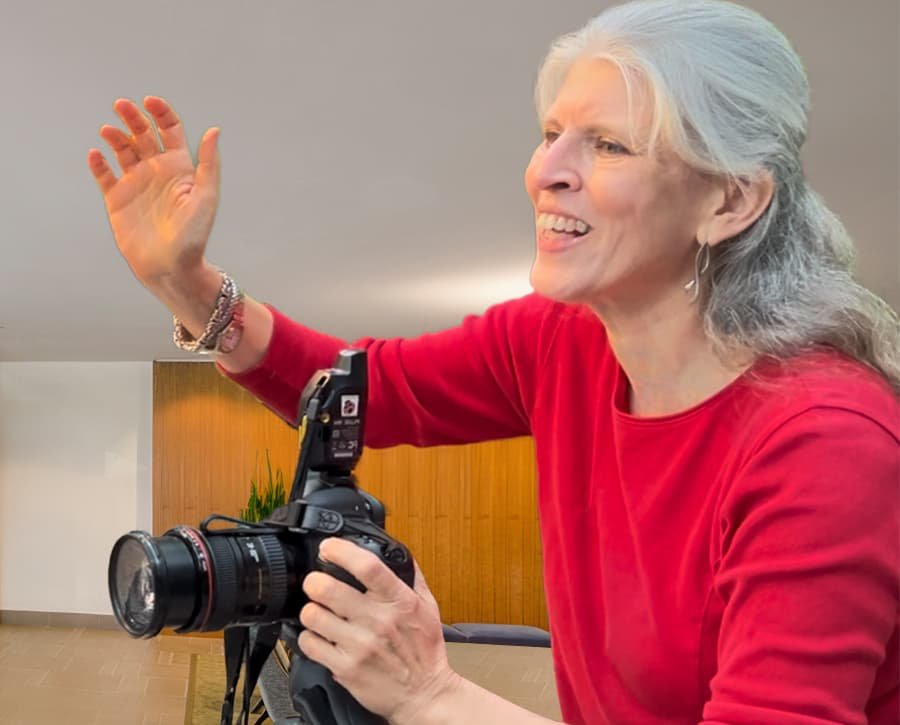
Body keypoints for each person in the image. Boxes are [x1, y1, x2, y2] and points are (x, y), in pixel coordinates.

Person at [88, 1, 899, 722]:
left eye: (609, 144)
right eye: (552, 134)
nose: (545, 172)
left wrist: (430, 694)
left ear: (730, 200)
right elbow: (361, 390)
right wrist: (191, 286)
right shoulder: (562, 339)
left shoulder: (823, 442)